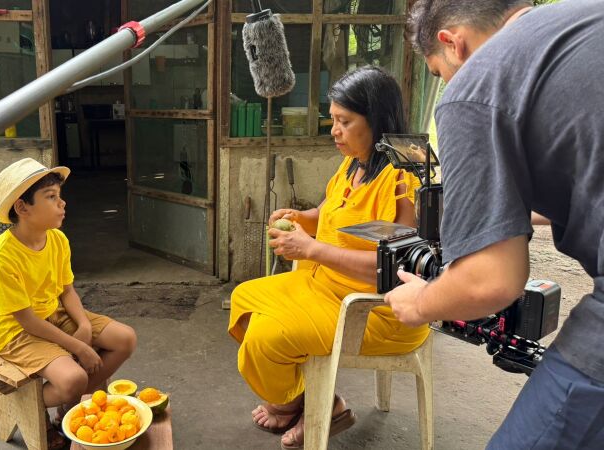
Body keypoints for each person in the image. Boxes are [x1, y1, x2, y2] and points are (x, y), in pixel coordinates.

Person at [386, 1, 604, 448]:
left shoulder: (476, 82)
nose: (448, 83)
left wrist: (422, 302)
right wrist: (498, 216)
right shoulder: (583, 22)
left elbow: (490, 282)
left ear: (452, 43)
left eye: (438, 72)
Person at [228, 66, 429, 449]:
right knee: (243, 301)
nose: (333, 129)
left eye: (344, 121)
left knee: (264, 338)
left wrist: (312, 249)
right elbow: (329, 211)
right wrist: (300, 218)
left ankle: (308, 403)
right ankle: (308, 400)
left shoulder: (403, 179)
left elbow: (399, 269)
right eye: (333, 119)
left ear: (377, 121)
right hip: (326, 287)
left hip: (374, 311)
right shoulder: (356, 162)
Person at [0, 158, 137, 447]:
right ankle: (30, 404)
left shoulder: (58, 240)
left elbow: (67, 292)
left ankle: (67, 408)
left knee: (125, 339)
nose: (62, 204)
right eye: (51, 197)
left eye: (59, 196)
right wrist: (78, 345)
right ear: (22, 208)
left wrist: (84, 324)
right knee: (73, 379)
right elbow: (24, 319)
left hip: (54, 314)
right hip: (15, 332)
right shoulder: (1, 257)